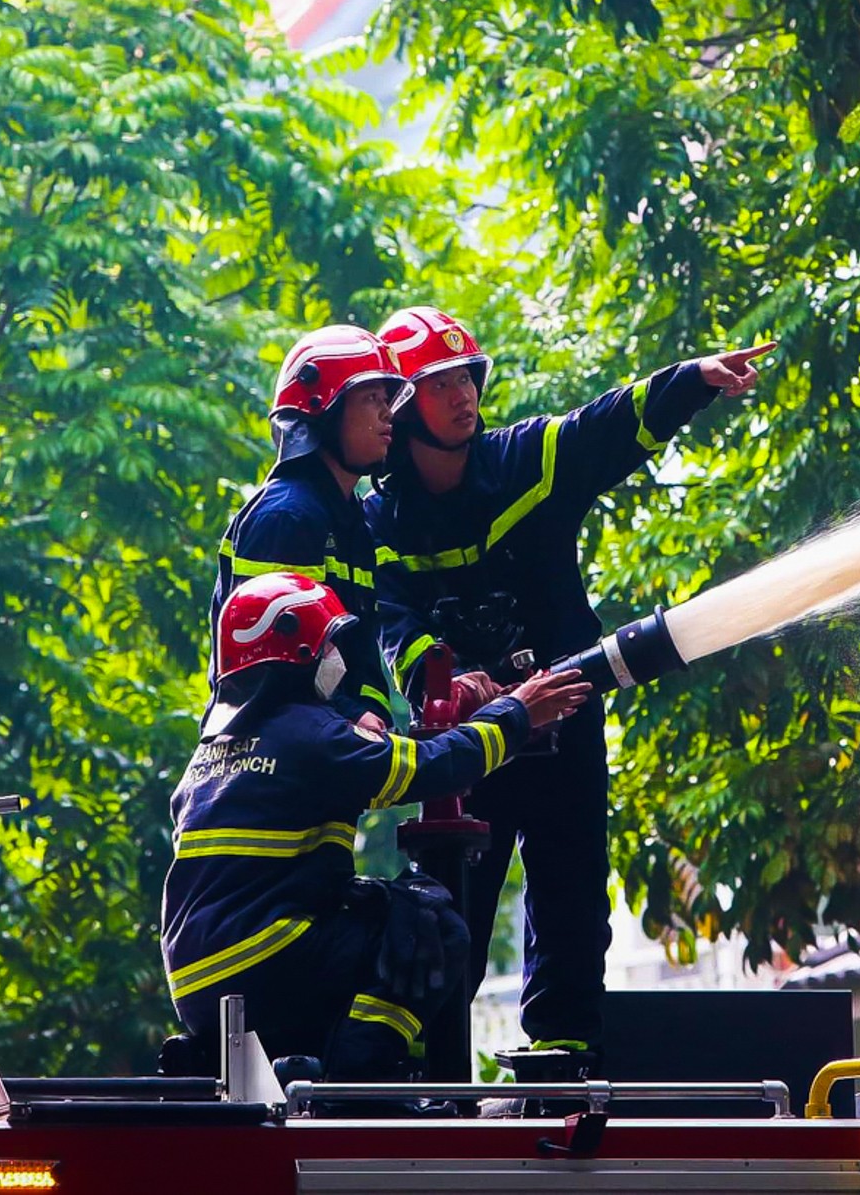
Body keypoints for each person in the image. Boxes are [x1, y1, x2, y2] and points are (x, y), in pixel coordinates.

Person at [364, 306, 769, 1065]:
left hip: (567, 723)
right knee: (450, 910)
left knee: (573, 893)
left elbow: (604, 426)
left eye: (468, 378)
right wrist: (441, 673)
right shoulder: (376, 522)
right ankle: (434, 1072)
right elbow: (388, 620)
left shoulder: (526, 461)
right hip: (466, 748)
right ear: (399, 405)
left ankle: (564, 1056)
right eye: (439, 383)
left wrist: (693, 382)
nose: (463, 396)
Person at [160, 571, 590, 1081]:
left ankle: (325, 1062)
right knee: (426, 928)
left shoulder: (211, 755)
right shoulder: (309, 736)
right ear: (297, 656)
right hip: (267, 959)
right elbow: (431, 767)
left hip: (199, 986)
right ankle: (363, 1081)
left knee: (368, 906)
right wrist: (515, 713)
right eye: (328, 648)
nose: (337, 662)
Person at [208, 325, 406, 734]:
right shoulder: (287, 518)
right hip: (275, 762)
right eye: (371, 398)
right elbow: (274, 667)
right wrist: (352, 716)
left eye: (387, 399)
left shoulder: (350, 518)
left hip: (325, 751)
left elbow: (359, 652)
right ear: (324, 409)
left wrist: (371, 715)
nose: (388, 413)